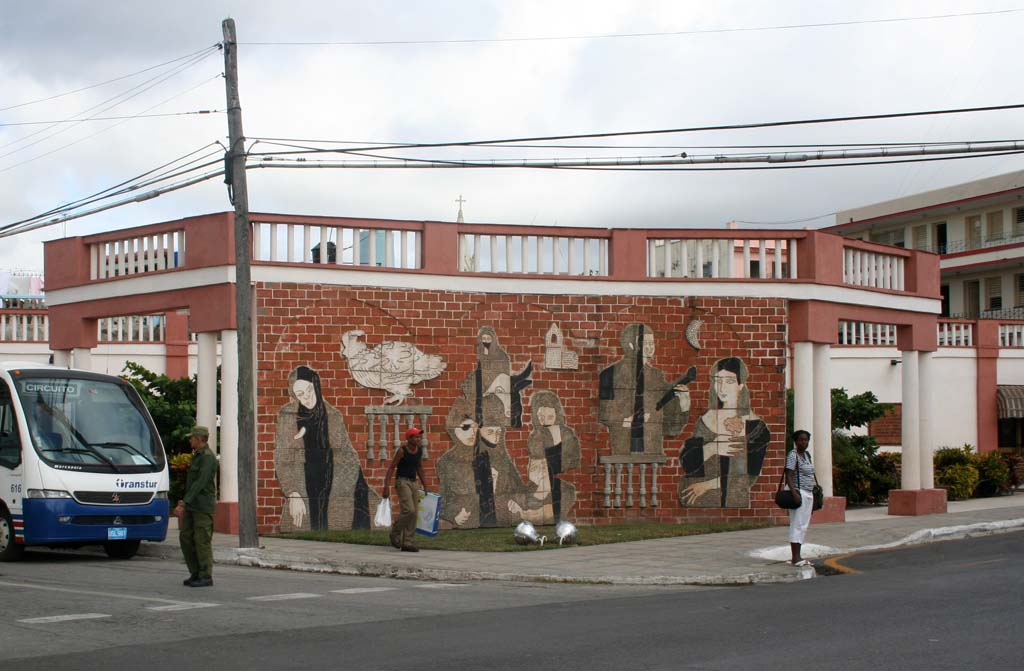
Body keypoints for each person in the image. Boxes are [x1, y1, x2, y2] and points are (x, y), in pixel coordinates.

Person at [679, 357, 770, 508]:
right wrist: (713, 447)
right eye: (717, 380)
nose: (721, 388)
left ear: (740, 385)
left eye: (729, 381)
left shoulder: (756, 427)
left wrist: (707, 485)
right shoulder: (705, 421)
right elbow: (689, 465)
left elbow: (750, 476)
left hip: (734, 502)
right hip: (699, 502)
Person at [176, 425, 217, 587]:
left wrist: (184, 502)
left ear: (199, 439)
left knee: (202, 540)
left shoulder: (207, 457)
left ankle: (206, 575)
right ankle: (195, 572)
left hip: (202, 506)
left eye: (192, 437)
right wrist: (185, 501)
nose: (190, 440)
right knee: (186, 538)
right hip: (192, 505)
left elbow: (200, 483)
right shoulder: (197, 455)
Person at [383, 426, 429, 552]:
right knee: (409, 510)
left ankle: (408, 542)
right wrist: (386, 486)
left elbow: (419, 467)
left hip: (414, 483)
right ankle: (395, 532)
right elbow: (392, 468)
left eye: (419, 437)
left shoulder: (419, 450)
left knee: (414, 514)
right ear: (409, 438)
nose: (418, 439)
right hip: (402, 482)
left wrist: (425, 484)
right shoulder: (402, 451)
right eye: (415, 437)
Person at [786, 430, 816, 567]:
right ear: (795, 441)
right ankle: (795, 557)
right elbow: (789, 475)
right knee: (797, 524)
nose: (804, 442)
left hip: (808, 492)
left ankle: (798, 556)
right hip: (799, 493)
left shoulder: (807, 455)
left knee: (803, 525)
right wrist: (794, 493)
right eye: (801, 440)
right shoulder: (793, 455)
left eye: (806, 440)